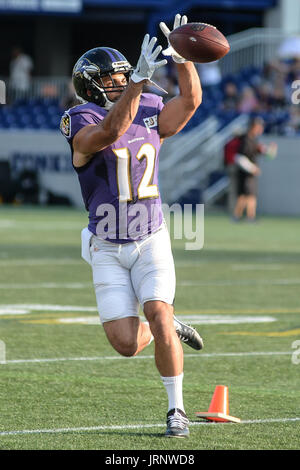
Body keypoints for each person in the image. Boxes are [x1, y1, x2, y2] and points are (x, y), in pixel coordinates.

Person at [60, 13, 203, 438]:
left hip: (150, 238)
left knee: (157, 313)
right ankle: (169, 326)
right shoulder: (78, 119)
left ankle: (177, 409)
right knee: (125, 343)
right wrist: (138, 83)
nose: (123, 82)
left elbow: (190, 103)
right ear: (90, 85)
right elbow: (109, 131)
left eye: (126, 75)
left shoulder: (152, 108)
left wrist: (182, 57)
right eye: (115, 77)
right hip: (106, 244)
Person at [233, 117, 277, 221]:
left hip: (250, 172)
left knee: (249, 194)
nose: (261, 129)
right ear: (254, 127)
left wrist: (271, 151)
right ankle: (242, 216)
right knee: (245, 195)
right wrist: (252, 168)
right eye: (259, 126)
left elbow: (263, 153)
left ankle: (246, 216)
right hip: (245, 172)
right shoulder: (245, 139)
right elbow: (239, 157)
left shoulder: (253, 139)